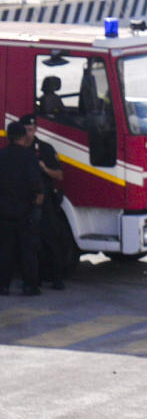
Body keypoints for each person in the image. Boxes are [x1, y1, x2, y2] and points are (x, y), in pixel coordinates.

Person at [0, 122, 45, 297]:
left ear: (7, 136)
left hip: (3, 209)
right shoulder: (29, 157)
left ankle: (3, 286)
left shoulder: (1, 155)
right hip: (24, 209)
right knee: (28, 250)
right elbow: (35, 183)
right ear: (23, 136)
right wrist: (38, 198)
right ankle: (29, 286)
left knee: (5, 249)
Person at [21, 115, 66, 291]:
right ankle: (35, 279)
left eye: (31, 130)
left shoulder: (45, 149)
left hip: (45, 202)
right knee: (30, 243)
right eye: (25, 130)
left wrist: (44, 169)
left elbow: (59, 175)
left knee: (51, 240)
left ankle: (57, 278)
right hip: (25, 202)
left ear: (36, 130)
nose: (28, 133)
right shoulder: (18, 150)